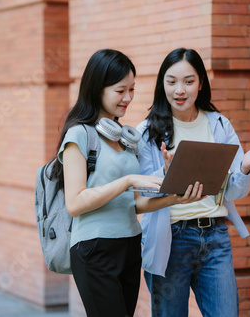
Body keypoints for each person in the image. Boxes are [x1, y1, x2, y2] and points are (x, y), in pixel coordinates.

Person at [49, 49, 204, 317]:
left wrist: (175, 198)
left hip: (131, 244)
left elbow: (133, 204)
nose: (129, 98)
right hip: (95, 249)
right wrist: (128, 180)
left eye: (132, 89)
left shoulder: (125, 137)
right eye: (121, 90)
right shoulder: (79, 135)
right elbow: (75, 203)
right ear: (98, 88)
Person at [137, 47, 250, 317]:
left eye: (188, 81)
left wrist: (245, 167)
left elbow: (233, 190)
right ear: (161, 83)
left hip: (215, 237)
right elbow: (141, 197)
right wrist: (166, 174)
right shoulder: (147, 132)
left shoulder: (219, 124)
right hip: (171, 239)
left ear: (200, 83)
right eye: (171, 81)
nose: (180, 90)